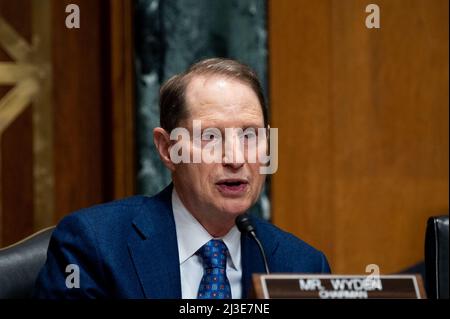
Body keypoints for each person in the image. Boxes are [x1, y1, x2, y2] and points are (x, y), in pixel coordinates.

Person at [33, 58, 330, 299]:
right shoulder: (94, 246)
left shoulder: (302, 267)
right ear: (168, 149)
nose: (236, 158)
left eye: (250, 136)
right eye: (211, 137)